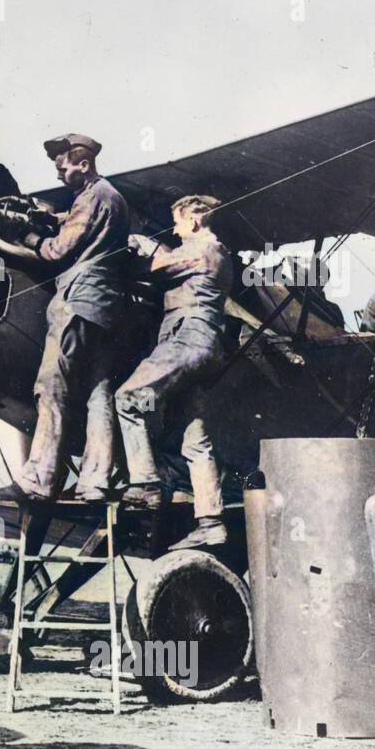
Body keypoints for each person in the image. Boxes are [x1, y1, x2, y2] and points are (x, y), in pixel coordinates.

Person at [0, 133, 131, 503]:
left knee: (53, 387)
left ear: (83, 164)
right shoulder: (112, 197)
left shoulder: (92, 197)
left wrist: (13, 242)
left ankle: (39, 478)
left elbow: (57, 251)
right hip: (106, 308)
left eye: (63, 167)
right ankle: (96, 481)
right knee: (98, 393)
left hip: (78, 301)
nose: (58, 174)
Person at [117, 196, 230, 550]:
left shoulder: (203, 249)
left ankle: (145, 483)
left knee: (129, 398)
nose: (177, 232)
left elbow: (153, 268)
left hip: (186, 339)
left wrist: (141, 244)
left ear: (194, 221)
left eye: (178, 224)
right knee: (194, 438)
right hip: (206, 348)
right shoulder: (217, 253)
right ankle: (211, 520)